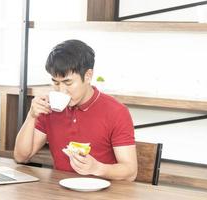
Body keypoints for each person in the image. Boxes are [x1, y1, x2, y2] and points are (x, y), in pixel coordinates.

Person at [14, 39, 137, 181]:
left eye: (68, 82)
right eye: (55, 82)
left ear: (88, 76)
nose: (61, 90)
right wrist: (31, 116)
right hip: (60, 191)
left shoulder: (116, 112)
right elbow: (21, 157)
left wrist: (97, 168)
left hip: (103, 193)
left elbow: (130, 172)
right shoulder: (50, 107)